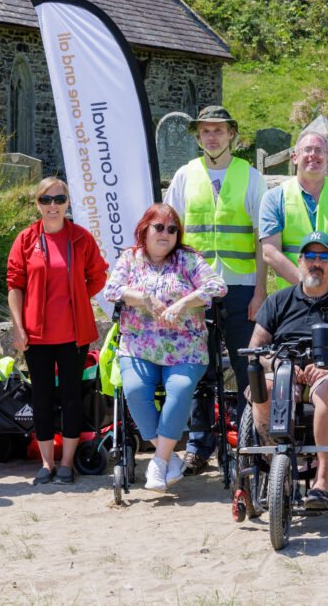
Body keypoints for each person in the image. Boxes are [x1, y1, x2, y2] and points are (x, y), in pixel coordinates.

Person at [164, 105, 267, 476]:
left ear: (232, 134)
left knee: (246, 369)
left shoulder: (251, 177)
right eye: (205, 131)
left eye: (218, 131)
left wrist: (260, 290)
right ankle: (197, 446)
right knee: (196, 372)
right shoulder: (184, 175)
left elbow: (261, 238)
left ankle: (248, 443)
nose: (212, 137)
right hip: (195, 292)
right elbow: (169, 233)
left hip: (240, 288)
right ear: (197, 137)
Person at [249, 231, 328, 511]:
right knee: (265, 388)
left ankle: (321, 480)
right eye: (310, 255)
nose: (316, 262)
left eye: (324, 256)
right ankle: (278, 476)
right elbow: (256, 351)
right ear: (299, 261)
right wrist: (281, 365)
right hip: (284, 371)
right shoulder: (278, 301)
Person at [102, 204, 228, 493]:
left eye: (172, 229)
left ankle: (158, 461)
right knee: (134, 391)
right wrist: (143, 298)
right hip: (138, 346)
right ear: (145, 229)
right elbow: (111, 291)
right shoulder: (130, 259)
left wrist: (185, 302)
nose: (166, 234)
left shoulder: (187, 260)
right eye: (159, 227)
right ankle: (169, 457)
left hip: (186, 348)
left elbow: (217, 287)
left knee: (181, 389)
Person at [7, 177, 108, 486]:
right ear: (37, 203)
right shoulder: (25, 239)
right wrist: (18, 326)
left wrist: (78, 295)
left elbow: (98, 275)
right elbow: (15, 284)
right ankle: (47, 464)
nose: (53, 205)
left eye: (59, 199)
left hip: (73, 333)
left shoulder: (80, 238)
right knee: (41, 398)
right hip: (36, 335)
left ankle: (67, 465)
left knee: (72, 397)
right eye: (46, 200)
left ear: (67, 203)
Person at [259, 131, 328, 289]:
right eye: (307, 150)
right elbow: (270, 251)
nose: (313, 154)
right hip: (292, 297)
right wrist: (306, 285)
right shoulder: (274, 198)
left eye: (319, 150)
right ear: (295, 157)